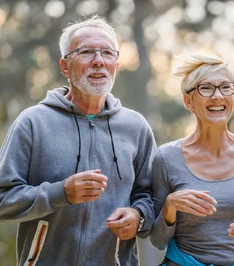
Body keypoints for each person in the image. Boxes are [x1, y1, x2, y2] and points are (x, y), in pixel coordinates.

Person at [0, 16, 156, 266]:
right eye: (86, 52)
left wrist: (139, 216)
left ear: (116, 63)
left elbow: (151, 196)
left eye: (107, 53)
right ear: (65, 67)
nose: (98, 60)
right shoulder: (32, 122)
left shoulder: (135, 127)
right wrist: (59, 193)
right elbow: (3, 198)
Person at [150, 51, 234, 265]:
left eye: (226, 87)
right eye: (205, 88)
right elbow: (157, 240)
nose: (217, 95)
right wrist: (170, 205)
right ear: (188, 101)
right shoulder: (166, 157)